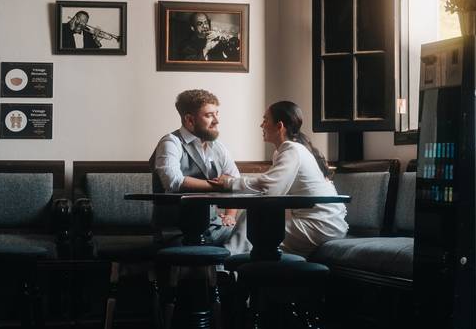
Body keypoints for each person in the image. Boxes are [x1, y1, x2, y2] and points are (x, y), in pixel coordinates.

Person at [211, 100, 347, 257]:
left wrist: (228, 182)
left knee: (254, 222)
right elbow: (272, 189)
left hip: (322, 225)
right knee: (256, 216)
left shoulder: (292, 149)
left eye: (265, 120)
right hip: (320, 221)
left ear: (279, 126)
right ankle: (236, 262)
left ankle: (227, 263)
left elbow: (268, 187)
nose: (261, 125)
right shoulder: (285, 151)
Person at [149, 89, 249, 252]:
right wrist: (220, 185)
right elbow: (174, 181)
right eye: (209, 115)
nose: (217, 120)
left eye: (217, 113)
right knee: (249, 237)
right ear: (189, 119)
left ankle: (223, 267)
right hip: (176, 231)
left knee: (253, 224)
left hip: (212, 229)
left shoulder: (217, 146)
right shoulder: (170, 143)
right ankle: (224, 266)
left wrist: (230, 215)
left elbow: (235, 182)